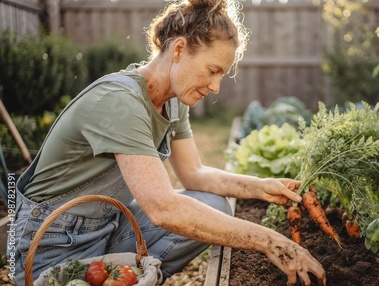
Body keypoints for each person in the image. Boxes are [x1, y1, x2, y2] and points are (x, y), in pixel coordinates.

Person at [12, 0, 326, 285]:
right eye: (212, 70)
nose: (216, 87)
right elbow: (163, 209)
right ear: (178, 50)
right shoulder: (120, 102)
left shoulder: (174, 101)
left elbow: (195, 174)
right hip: (50, 244)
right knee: (186, 211)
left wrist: (260, 186)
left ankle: (136, 275)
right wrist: (271, 241)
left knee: (214, 205)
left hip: (105, 225)